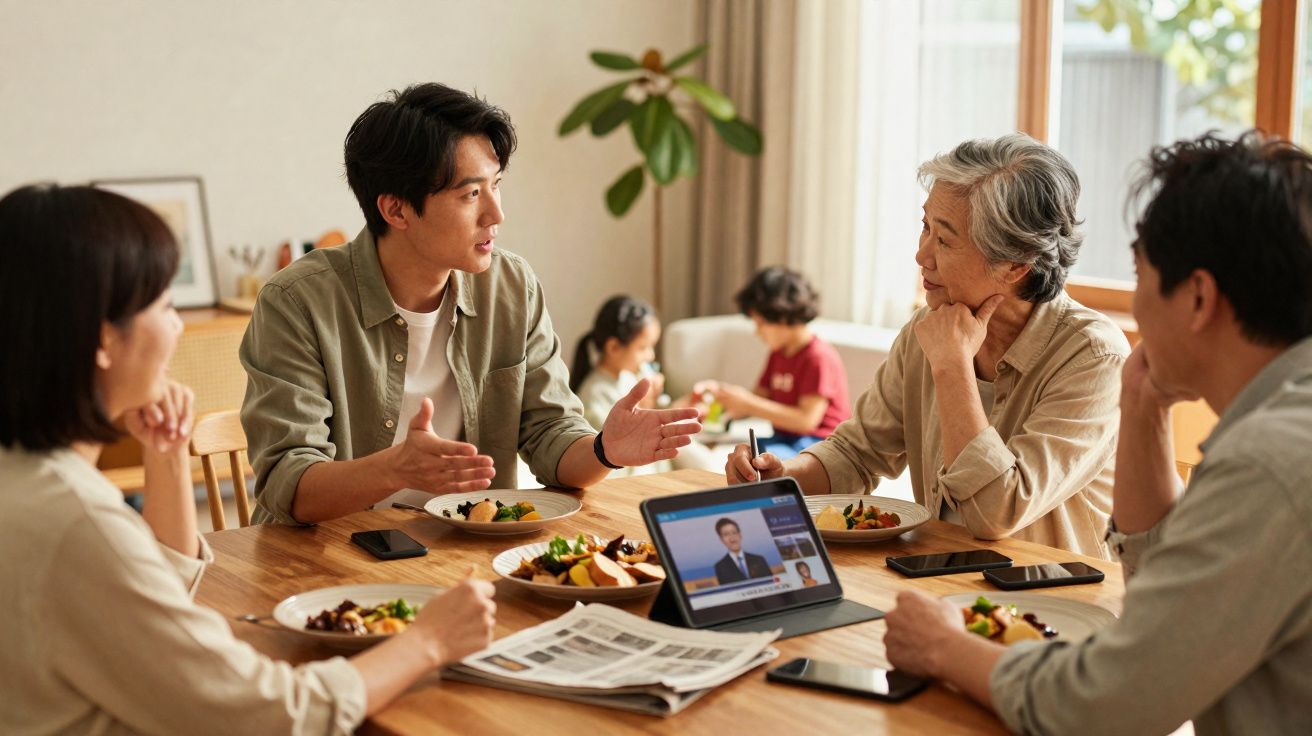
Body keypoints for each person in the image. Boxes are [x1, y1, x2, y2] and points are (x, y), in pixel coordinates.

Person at [0, 185, 498, 733]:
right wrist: (428, 641)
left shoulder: (27, 483)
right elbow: (270, 715)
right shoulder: (79, 523)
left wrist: (166, 456)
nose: (177, 327)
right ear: (103, 340)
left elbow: (153, 602)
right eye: (164, 306)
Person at [883, 133, 1312, 735]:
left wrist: (943, 648)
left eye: (1139, 276)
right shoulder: (1282, 427)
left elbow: (1108, 704)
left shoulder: (1269, 464)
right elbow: (1164, 598)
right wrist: (1143, 406)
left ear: (1197, 298)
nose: (1133, 307)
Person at [240, 83, 699, 524]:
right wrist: (394, 469)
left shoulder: (512, 287)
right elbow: (287, 482)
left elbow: (550, 434)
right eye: (471, 194)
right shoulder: (297, 302)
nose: (496, 214)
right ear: (396, 210)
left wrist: (604, 450)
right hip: (326, 557)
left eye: (496, 185)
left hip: (464, 547)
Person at [727, 134, 1129, 557]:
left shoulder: (1094, 358)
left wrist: (952, 365)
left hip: (1050, 592)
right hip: (941, 577)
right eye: (925, 227)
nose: (922, 256)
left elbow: (997, 511)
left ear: (1016, 264)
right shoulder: (926, 328)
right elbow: (856, 453)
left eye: (945, 240)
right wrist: (781, 477)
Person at [701, 267, 851, 460]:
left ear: (783, 315)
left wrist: (747, 403)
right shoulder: (778, 353)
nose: (757, 332)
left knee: (763, 460)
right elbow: (759, 398)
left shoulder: (818, 357)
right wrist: (723, 400)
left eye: (760, 323)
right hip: (785, 438)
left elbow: (806, 421)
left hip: (819, 443)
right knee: (742, 453)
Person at [712, 518, 773, 584]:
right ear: (721, 539)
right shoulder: (720, 567)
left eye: (734, 533)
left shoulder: (759, 560)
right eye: (726, 534)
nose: (732, 538)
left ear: (740, 535)